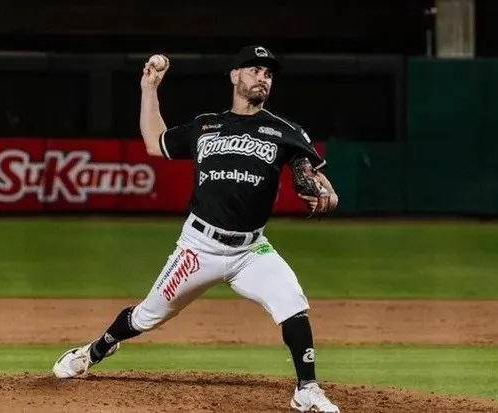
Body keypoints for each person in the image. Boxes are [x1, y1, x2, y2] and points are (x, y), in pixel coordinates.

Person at [52, 45, 340, 413]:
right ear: (234, 75)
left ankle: (307, 389)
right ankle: (95, 350)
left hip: (252, 251)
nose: (263, 78)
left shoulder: (285, 131)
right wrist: (149, 88)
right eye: (254, 70)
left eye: (268, 74)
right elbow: (155, 143)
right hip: (199, 247)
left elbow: (315, 177)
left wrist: (328, 194)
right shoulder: (206, 125)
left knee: (292, 303)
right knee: (146, 316)